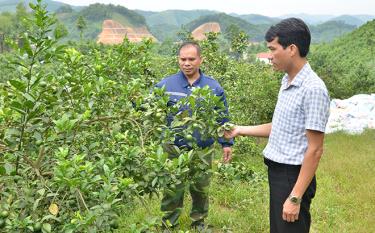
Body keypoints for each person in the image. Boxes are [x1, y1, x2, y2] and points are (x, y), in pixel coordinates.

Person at [225, 18, 330, 233]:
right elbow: (280, 126)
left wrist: (295, 196)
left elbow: (315, 149)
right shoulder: (288, 80)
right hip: (278, 172)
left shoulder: (312, 89)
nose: (270, 56)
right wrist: (239, 129)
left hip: (293, 176)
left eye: (273, 49)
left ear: (292, 49)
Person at [155, 41, 233, 230]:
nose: (187, 63)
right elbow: (149, 105)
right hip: (173, 148)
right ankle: (168, 223)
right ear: (178, 60)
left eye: (191, 59)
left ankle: (198, 222)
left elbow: (222, 118)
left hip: (202, 149)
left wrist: (226, 143)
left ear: (201, 60)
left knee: (201, 188)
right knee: (172, 187)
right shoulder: (166, 84)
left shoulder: (213, 87)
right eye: (183, 59)